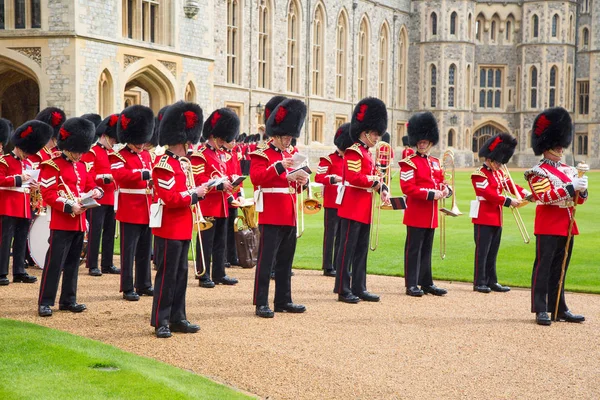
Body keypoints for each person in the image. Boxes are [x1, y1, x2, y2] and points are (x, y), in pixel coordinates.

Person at [524, 107, 588, 326]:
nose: (560, 147)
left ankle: (559, 307)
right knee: (543, 268)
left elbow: (578, 200)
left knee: (561, 268)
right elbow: (544, 196)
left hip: (567, 225)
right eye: (556, 143)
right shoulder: (538, 171)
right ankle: (541, 308)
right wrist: (571, 188)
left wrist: (582, 190)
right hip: (548, 224)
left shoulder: (569, 169)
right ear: (545, 146)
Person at [151, 101, 207, 338]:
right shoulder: (164, 165)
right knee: (166, 275)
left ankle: (178, 317)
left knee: (181, 274)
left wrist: (203, 189)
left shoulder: (184, 164)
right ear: (182, 141)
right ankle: (161, 320)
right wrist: (195, 194)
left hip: (184, 226)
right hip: (169, 227)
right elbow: (171, 198)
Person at [37, 117, 103, 317]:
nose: (78, 155)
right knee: (54, 263)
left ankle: (68, 299)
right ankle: (45, 302)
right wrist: (69, 206)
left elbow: (90, 185)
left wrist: (97, 192)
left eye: (81, 151)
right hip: (62, 220)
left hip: (79, 220)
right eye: (76, 151)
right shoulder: (52, 165)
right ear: (68, 146)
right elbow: (48, 194)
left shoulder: (82, 166)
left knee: (73, 263)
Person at [250, 98, 308, 318]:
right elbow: (256, 178)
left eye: (290, 137)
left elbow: (294, 184)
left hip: (289, 211)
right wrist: (277, 167)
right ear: (274, 134)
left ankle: (283, 299)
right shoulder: (261, 154)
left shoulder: (291, 154)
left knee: (285, 260)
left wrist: (303, 181)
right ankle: (261, 302)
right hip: (271, 212)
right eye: (285, 137)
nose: (288, 140)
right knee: (266, 260)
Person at [334, 97, 389, 304]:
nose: (377, 137)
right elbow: (354, 178)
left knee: (361, 251)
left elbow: (373, 177)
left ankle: (359, 286)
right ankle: (342, 289)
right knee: (346, 251)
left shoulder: (367, 153)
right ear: (365, 132)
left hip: (364, 208)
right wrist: (375, 182)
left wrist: (381, 188)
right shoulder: (354, 151)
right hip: (352, 207)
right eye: (375, 133)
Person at [471, 133, 529, 293]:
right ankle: (479, 281)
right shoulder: (479, 174)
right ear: (488, 159)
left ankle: (491, 281)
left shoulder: (500, 173)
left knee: (493, 251)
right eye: (497, 161)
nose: (499, 164)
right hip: (483, 218)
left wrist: (526, 194)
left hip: (496, 218)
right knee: (482, 252)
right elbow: (489, 194)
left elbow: (512, 186)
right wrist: (509, 201)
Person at [399, 112, 449, 297]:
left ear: (430, 142)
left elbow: (441, 181)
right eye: (419, 141)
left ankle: (426, 282)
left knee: (427, 249)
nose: (422, 144)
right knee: (413, 249)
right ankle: (411, 284)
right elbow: (407, 188)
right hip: (416, 213)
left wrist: (446, 190)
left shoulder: (436, 162)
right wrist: (431, 193)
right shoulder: (408, 163)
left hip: (431, 214)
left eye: (425, 141)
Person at [110, 105, 155, 301]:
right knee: (129, 252)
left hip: (147, 207)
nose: (142, 146)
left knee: (146, 249)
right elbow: (119, 175)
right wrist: (142, 174)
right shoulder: (118, 155)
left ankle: (144, 284)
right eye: (139, 143)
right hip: (130, 208)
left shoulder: (146, 154)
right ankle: (127, 287)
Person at [191, 108, 239, 287]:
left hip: (221, 204)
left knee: (220, 241)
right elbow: (198, 179)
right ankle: (203, 273)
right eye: (221, 138)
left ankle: (219, 273)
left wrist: (231, 182)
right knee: (206, 241)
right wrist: (218, 185)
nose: (223, 141)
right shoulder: (200, 154)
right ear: (214, 135)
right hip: (208, 204)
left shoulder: (220, 154)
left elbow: (224, 174)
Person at [0, 120, 52, 286]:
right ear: (18, 145)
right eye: (25, 151)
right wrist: (18, 179)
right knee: (5, 240)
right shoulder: (5, 161)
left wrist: (34, 185)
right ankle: (1, 272)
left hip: (24, 207)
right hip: (8, 206)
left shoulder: (28, 163)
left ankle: (19, 271)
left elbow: (28, 184)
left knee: (21, 240)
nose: (27, 155)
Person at [81, 114, 121, 276]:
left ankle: (107, 263)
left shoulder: (112, 154)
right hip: (97, 197)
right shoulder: (92, 152)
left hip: (112, 198)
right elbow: (88, 174)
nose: (114, 143)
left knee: (109, 232)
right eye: (112, 139)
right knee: (96, 231)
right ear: (103, 136)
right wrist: (102, 178)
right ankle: (92, 264)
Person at [314, 123, 353, 277]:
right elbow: (318, 177)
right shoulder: (328, 159)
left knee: (343, 236)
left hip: (346, 202)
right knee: (330, 235)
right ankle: (327, 266)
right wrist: (333, 178)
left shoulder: (351, 160)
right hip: (332, 202)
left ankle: (339, 264)